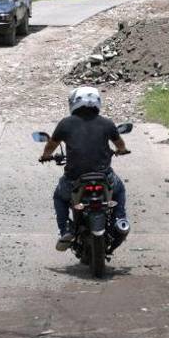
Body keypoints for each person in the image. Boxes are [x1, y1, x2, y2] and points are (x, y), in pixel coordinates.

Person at [38, 86, 129, 250]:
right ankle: (120, 220)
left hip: (74, 179)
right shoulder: (107, 123)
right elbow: (120, 144)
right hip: (104, 176)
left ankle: (65, 229)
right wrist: (121, 151)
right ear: (97, 102)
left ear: (74, 102)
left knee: (59, 197)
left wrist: (45, 156)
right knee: (119, 190)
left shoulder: (65, 124)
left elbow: (51, 145)